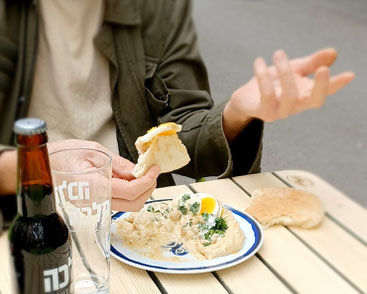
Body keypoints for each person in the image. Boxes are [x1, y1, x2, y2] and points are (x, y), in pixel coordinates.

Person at [0, 0, 354, 227]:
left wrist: (236, 112)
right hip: (22, 220)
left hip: (137, 223)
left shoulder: (159, 7)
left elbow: (182, 131)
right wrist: (41, 170)